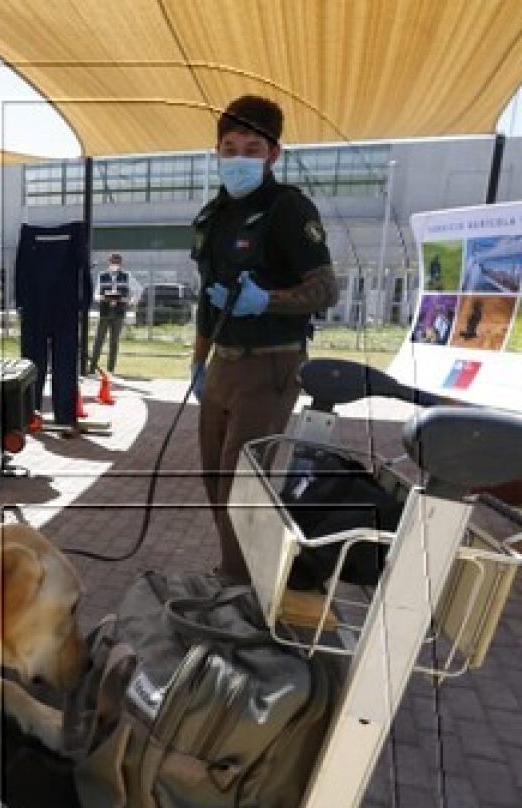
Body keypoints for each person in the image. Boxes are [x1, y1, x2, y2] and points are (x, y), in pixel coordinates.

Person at [190, 95, 340, 582]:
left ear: (273, 154)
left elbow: (325, 289)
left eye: (251, 148)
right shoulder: (214, 215)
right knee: (215, 479)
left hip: (270, 365)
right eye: (229, 147)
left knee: (241, 482)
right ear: (216, 150)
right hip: (222, 366)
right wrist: (198, 363)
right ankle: (235, 569)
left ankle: (242, 585)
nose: (238, 159)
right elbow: (207, 300)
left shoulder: (288, 209)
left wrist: (267, 300)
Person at [88, 252, 132, 374]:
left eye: (117, 262)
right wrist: (104, 297)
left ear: (121, 263)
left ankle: (111, 368)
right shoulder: (102, 276)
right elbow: (96, 295)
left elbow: (130, 295)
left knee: (114, 341)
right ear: (109, 262)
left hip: (118, 313)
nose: (115, 264)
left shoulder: (126, 276)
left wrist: (122, 299)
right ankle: (92, 367)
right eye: (113, 262)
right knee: (99, 340)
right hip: (105, 311)